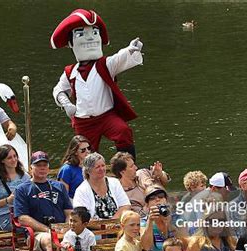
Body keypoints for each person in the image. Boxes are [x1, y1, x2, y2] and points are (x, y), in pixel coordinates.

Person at [51, 9, 143, 158]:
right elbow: (58, 90)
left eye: (95, 33)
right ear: (71, 43)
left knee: (123, 131)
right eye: (81, 34)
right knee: (85, 151)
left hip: (106, 116)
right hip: (83, 121)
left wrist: (130, 50)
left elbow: (118, 58)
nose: (90, 39)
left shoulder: (105, 65)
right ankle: (86, 175)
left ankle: (126, 167)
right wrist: (66, 104)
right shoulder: (70, 72)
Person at [14, 150, 73, 251]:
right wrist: (48, 230)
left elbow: (69, 212)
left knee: (86, 237)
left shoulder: (59, 186)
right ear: (31, 168)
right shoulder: (22, 189)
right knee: (51, 240)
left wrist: (66, 227)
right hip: (37, 234)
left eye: (45, 165)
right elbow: (22, 218)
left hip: (61, 229)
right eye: (38, 165)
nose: (42, 168)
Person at [110, 152, 169, 217]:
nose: (136, 167)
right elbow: (140, 215)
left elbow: (165, 181)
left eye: (134, 164)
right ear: (122, 172)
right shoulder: (124, 195)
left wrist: (160, 174)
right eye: (131, 166)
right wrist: (151, 202)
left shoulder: (143, 173)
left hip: (169, 208)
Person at [73, 153, 130, 219]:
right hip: (93, 227)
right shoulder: (81, 190)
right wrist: (103, 226)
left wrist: (112, 222)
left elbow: (126, 205)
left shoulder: (114, 182)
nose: (101, 169)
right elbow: (81, 216)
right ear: (88, 171)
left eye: (103, 165)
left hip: (116, 224)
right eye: (97, 167)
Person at [0, 144, 30, 231]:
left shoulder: (24, 176)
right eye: (9, 158)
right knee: (29, 227)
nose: (14, 160)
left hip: (24, 213)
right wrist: (7, 200)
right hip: (6, 215)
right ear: (2, 160)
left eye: (15, 156)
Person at [141, 186, 177, 251]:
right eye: (152, 198)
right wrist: (150, 221)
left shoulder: (176, 218)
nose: (157, 199)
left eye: (161, 196)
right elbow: (147, 246)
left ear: (166, 200)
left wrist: (168, 223)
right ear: (147, 204)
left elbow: (184, 243)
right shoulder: (144, 222)